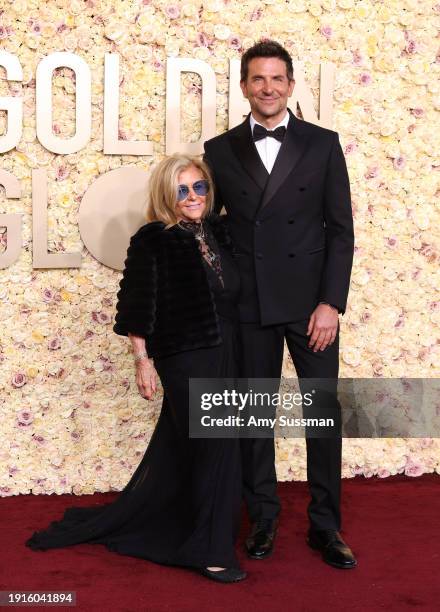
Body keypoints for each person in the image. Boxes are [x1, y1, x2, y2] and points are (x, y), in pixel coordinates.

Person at [25, 155, 247, 583]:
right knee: (215, 444)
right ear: (167, 194)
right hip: (184, 354)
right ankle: (210, 550)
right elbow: (136, 306)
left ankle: (187, 525)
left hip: (229, 350)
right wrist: (142, 362)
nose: (193, 197)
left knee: (215, 445)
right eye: (182, 189)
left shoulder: (219, 231)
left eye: (199, 187)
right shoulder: (153, 240)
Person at [203, 40, 357, 569]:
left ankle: (325, 527)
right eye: (257, 79)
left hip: (310, 305)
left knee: (322, 418)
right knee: (251, 419)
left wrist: (330, 303)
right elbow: (210, 228)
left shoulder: (322, 144)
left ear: (291, 84)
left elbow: (340, 230)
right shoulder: (219, 149)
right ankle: (263, 519)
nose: (267, 89)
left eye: (277, 79)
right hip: (249, 306)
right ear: (245, 85)